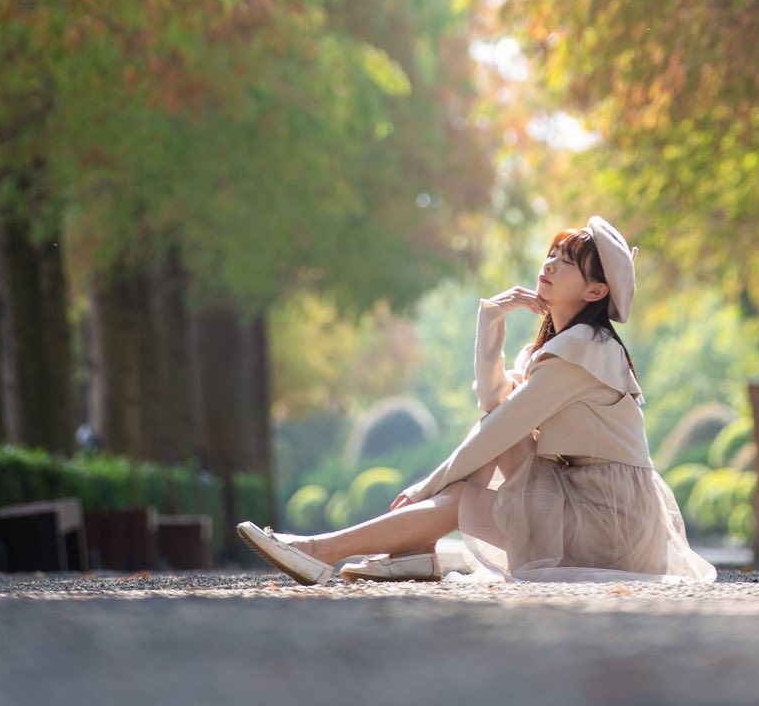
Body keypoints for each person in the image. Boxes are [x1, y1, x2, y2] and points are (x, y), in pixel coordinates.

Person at [237, 216, 718, 585]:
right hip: (579, 496)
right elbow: (494, 403)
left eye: (567, 261)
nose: (550, 264)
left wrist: (427, 486)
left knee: (468, 484)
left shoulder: (585, 349)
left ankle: (322, 551)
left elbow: (501, 428)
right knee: (489, 440)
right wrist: (492, 319)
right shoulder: (555, 348)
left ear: (596, 290)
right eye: (551, 253)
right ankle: (399, 552)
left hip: (609, 524)